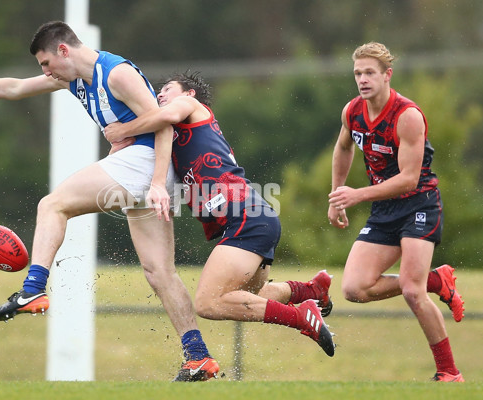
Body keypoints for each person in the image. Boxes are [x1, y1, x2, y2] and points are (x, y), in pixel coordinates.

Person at [0, 21, 217, 381]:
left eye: (47, 63)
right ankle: (198, 357)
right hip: (144, 171)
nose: (45, 72)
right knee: (159, 273)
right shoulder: (74, 78)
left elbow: (164, 125)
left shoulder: (117, 73)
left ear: (64, 50)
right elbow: (15, 87)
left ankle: (32, 290)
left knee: (52, 204)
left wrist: (158, 182)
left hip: (145, 164)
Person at [104, 71, 336, 360]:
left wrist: (122, 129)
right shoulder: (173, 138)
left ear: (189, 94)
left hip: (246, 219)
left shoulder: (190, 108)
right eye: (158, 91)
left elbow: (165, 116)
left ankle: (302, 318)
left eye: (167, 89)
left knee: (209, 303)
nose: (160, 94)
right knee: (246, 299)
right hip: (252, 219)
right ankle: (309, 290)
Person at [327, 42, 465, 382]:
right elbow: (343, 147)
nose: (363, 79)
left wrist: (356, 194)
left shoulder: (407, 116)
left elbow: (408, 179)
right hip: (384, 208)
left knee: (411, 291)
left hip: (419, 203)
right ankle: (437, 279)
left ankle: (449, 373)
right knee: (354, 289)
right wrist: (336, 195)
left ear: (387, 75)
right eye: (358, 73)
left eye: (370, 72)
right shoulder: (352, 111)